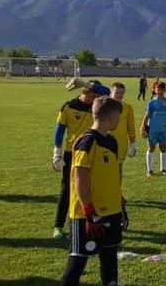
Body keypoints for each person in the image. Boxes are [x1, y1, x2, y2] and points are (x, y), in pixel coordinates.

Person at [59, 96, 124, 286]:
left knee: (110, 258)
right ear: (111, 118)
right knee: (78, 260)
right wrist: (88, 211)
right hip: (87, 215)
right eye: (118, 117)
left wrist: (120, 199)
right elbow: (80, 178)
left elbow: (111, 175)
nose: (118, 121)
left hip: (111, 211)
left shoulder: (111, 141)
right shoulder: (85, 142)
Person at [52, 80, 110, 240]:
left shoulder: (96, 107)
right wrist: (57, 153)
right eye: (94, 95)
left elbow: (107, 91)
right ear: (86, 93)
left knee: (92, 188)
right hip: (73, 154)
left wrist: (86, 83)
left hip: (93, 153)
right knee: (67, 190)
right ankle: (58, 226)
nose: (97, 99)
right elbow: (59, 131)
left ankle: (92, 220)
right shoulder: (68, 106)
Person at [140, 82, 166, 176]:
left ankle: (163, 169)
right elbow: (147, 116)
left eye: (161, 89)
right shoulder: (151, 103)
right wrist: (143, 127)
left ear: (164, 90)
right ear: (154, 90)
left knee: (163, 148)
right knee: (151, 148)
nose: (159, 91)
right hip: (152, 130)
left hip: (163, 130)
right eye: (157, 89)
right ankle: (149, 170)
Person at [109, 82, 137, 165]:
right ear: (110, 92)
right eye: (117, 92)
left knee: (118, 167)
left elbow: (131, 127)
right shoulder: (103, 105)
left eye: (122, 93)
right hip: (105, 141)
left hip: (121, 143)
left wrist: (133, 144)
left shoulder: (127, 107)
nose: (119, 95)